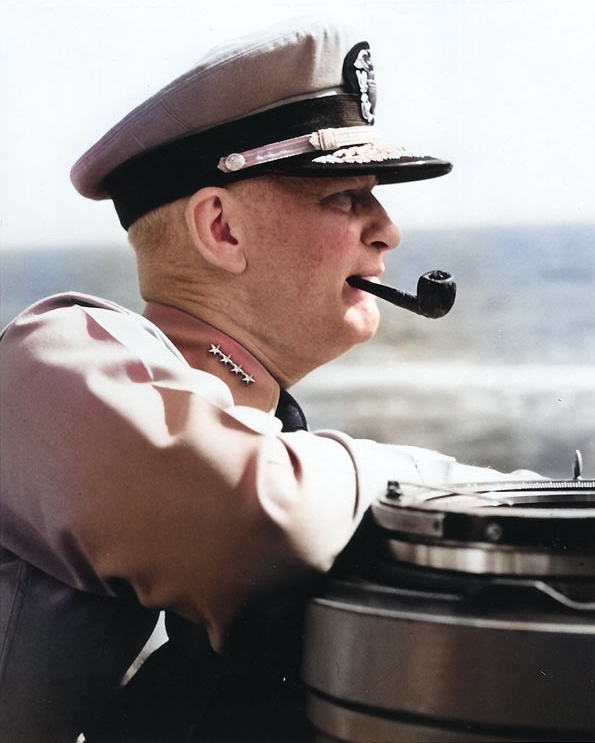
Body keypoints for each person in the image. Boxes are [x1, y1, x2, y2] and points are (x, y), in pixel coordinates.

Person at [0, 17, 537, 743]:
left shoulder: (270, 430)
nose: (387, 230)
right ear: (220, 228)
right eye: (344, 197)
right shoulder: (51, 359)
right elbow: (264, 521)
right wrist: (453, 485)